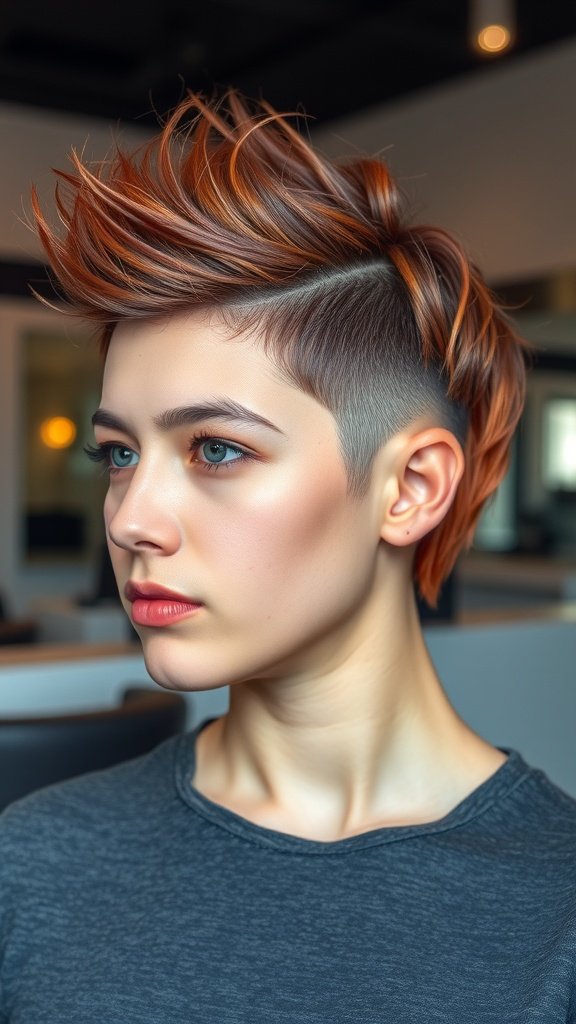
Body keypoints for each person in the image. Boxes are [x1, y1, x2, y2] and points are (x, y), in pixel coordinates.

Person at [1, 91, 575, 1022]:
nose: (132, 518)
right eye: (119, 455)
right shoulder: (29, 868)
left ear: (411, 488)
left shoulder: (559, 916)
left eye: (217, 449)